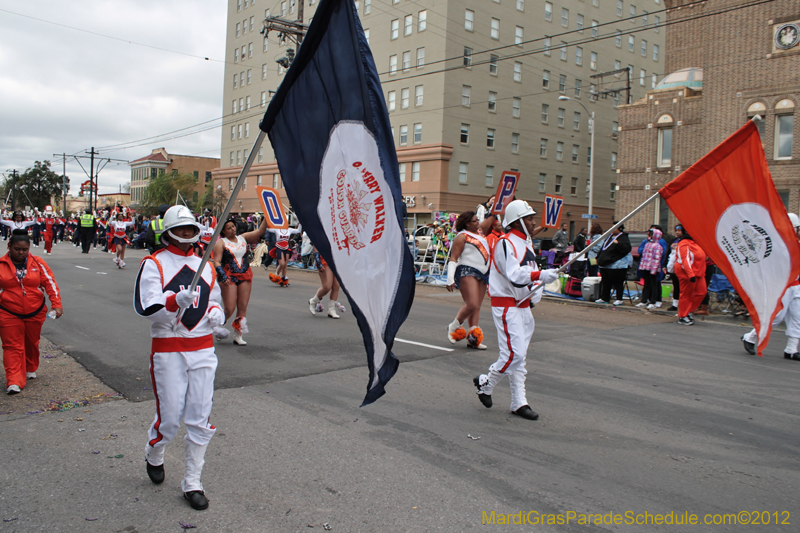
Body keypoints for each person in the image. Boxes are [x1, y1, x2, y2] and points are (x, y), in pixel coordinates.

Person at [134, 205, 226, 511]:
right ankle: (155, 450)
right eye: (181, 229)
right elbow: (147, 308)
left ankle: (192, 481)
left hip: (202, 349)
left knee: (200, 417)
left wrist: (215, 316)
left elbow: (214, 301)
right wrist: (174, 300)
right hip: (168, 348)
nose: (187, 235)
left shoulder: (207, 266)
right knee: (171, 418)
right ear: (169, 231)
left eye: (191, 229)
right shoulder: (154, 263)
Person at [473, 200, 560, 421]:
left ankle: (518, 402)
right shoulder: (505, 243)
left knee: (520, 358)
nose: (533, 222)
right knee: (514, 354)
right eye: (529, 218)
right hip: (506, 305)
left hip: (523, 306)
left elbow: (530, 270)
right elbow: (514, 274)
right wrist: (540, 276)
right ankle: (486, 383)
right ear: (518, 221)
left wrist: (538, 287)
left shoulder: (527, 243)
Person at [0, 229, 63, 394]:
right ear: (9, 247)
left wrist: (56, 304)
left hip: (35, 312)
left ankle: (30, 367)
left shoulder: (38, 263)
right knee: (12, 346)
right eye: (17, 249)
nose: (21, 253)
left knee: (31, 342)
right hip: (8, 312)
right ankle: (13, 381)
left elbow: (50, 283)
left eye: (24, 250)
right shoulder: (1, 265)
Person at [742, 213, 800, 359]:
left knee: (798, 318)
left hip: (796, 285)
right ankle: (750, 337)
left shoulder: (796, 244)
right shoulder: (777, 244)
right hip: (782, 285)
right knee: (776, 316)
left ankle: (791, 349)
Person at [212, 217, 268, 345]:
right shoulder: (221, 243)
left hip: (244, 274)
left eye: (233, 226)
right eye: (229, 228)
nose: (232, 229)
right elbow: (217, 261)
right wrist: (222, 276)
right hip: (228, 276)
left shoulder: (243, 238)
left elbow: (260, 231)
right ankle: (219, 326)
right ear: (223, 231)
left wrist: (266, 216)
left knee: (242, 307)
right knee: (229, 308)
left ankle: (238, 335)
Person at [445, 211, 495, 349]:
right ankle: (454, 326)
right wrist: (450, 278)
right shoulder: (461, 237)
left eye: (478, 220)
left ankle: (473, 339)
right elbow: (453, 258)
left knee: (477, 307)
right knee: (471, 304)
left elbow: (492, 217)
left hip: (483, 273)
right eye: (474, 221)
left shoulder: (480, 233)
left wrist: (497, 206)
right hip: (467, 270)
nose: (478, 222)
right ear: (467, 223)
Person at [674, 228, 707, 325]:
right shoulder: (683, 243)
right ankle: (683, 315)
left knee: (702, 292)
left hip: (699, 273)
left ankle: (687, 311)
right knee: (686, 294)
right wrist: (690, 274)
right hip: (687, 274)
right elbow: (685, 260)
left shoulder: (696, 243)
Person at [595, 224, 632, 306]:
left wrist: (618, 244)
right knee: (605, 282)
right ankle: (604, 297)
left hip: (617, 266)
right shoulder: (609, 237)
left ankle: (619, 299)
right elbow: (603, 248)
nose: (612, 229)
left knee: (618, 282)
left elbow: (627, 249)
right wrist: (598, 258)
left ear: (619, 228)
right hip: (605, 264)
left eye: (614, 228)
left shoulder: (623, 238)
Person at [308, 248, 347, 319]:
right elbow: (315, 246)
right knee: (327, 286)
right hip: (324, 260)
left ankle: (331, 310)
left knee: (336, 286)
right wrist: (318, 261)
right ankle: (313, 301)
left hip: (336, 260)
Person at [636, 228, 665, 309]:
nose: (649, 236)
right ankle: (644, 300)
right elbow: (643, 257)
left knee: (654, 285)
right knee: (646, 285)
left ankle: (653, 301)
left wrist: (654, 270)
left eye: (651, 234)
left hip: (653, 269)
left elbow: (657, 259)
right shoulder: (647, 244)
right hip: (646, 268)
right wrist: (641, 267)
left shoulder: (658, 246)